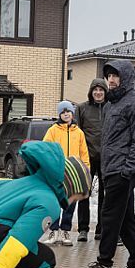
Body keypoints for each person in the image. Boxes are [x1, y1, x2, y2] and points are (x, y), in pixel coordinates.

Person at [73, 60, 135, 268]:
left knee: (109, 217)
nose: (111, 80)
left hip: (122, 170)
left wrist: (129, 170)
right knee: (125, 219)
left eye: (116, 76)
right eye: (109, 76)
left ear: (125, 77)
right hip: (110, 168)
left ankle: (104, 265)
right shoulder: (110, 105)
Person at [42, 100, 89, 246]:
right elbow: (46, 150)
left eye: (68, 111)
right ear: (59, 114)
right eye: (63, 112)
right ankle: (54, 231)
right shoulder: (52, 131)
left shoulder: (79, 132)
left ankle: (65, 231)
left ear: (72, 113)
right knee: (55, 203)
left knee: (70, 204)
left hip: (73, 174)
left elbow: (84, 154)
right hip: (57, 173)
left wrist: (86, 170)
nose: (66, 114)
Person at [75, 78, 108, 242]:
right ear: (91, 92)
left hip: (106, 158)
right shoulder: (82, 108)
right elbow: (77, 133)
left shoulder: (111, 108)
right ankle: (82, 229)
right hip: (87, 157)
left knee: (104, 195)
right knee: (84, 193)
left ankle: (101, 229)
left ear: (105, 92)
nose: (98, 93)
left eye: (101, 90)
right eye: (95, 90)